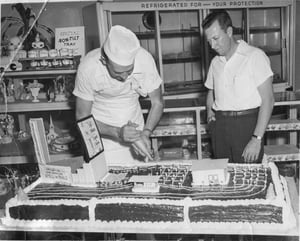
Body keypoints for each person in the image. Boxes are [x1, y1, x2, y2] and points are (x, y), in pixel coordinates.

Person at [73, 25, 164, 165]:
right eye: (117, 73)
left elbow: (157, 102)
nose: (125, 77)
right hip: (100, 132)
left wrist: (146, 133)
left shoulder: (144, 59)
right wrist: (117, 132)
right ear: (104, 61)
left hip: (136, 129)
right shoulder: (88, 66)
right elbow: (82, 117)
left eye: (129, 71)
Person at [202, 10, 275, 163]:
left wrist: (256, 139)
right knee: (224, 178)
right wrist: (210, 114)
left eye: (216, 39)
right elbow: (211, 91)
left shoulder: (254, 56)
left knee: (249, 179)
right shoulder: (215, 62)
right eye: (209, 41)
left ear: (229, 32)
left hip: (247, 126)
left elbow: (268, 100)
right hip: (221, 127)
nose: (213, 45)